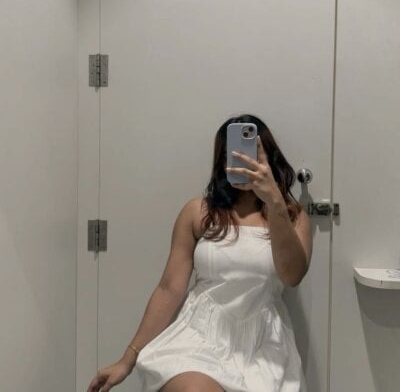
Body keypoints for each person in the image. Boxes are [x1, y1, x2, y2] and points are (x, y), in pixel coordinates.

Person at [87, 113, 313, 392]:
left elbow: (292, 276)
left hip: (264, 343)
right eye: (233, 155)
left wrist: (274, 201)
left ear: (269, 158)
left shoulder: (292, 217)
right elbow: (169, 289)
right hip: (200, 335)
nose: (242, 161)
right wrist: (127, 360)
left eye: (251, 154)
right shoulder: (199, 212)